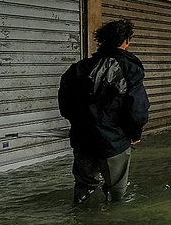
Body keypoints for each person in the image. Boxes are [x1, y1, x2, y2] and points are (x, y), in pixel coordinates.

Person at [59, 19, 149, 204]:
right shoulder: (129, 68)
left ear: (102, 40)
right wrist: (135, 133)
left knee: (84, 187)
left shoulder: (78, 69)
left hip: (82, 139)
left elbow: (65, 106)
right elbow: (137, 108)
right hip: (114, 141)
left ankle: (81, 221)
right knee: (117, 192)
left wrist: (80, 125)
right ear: (126, 41)